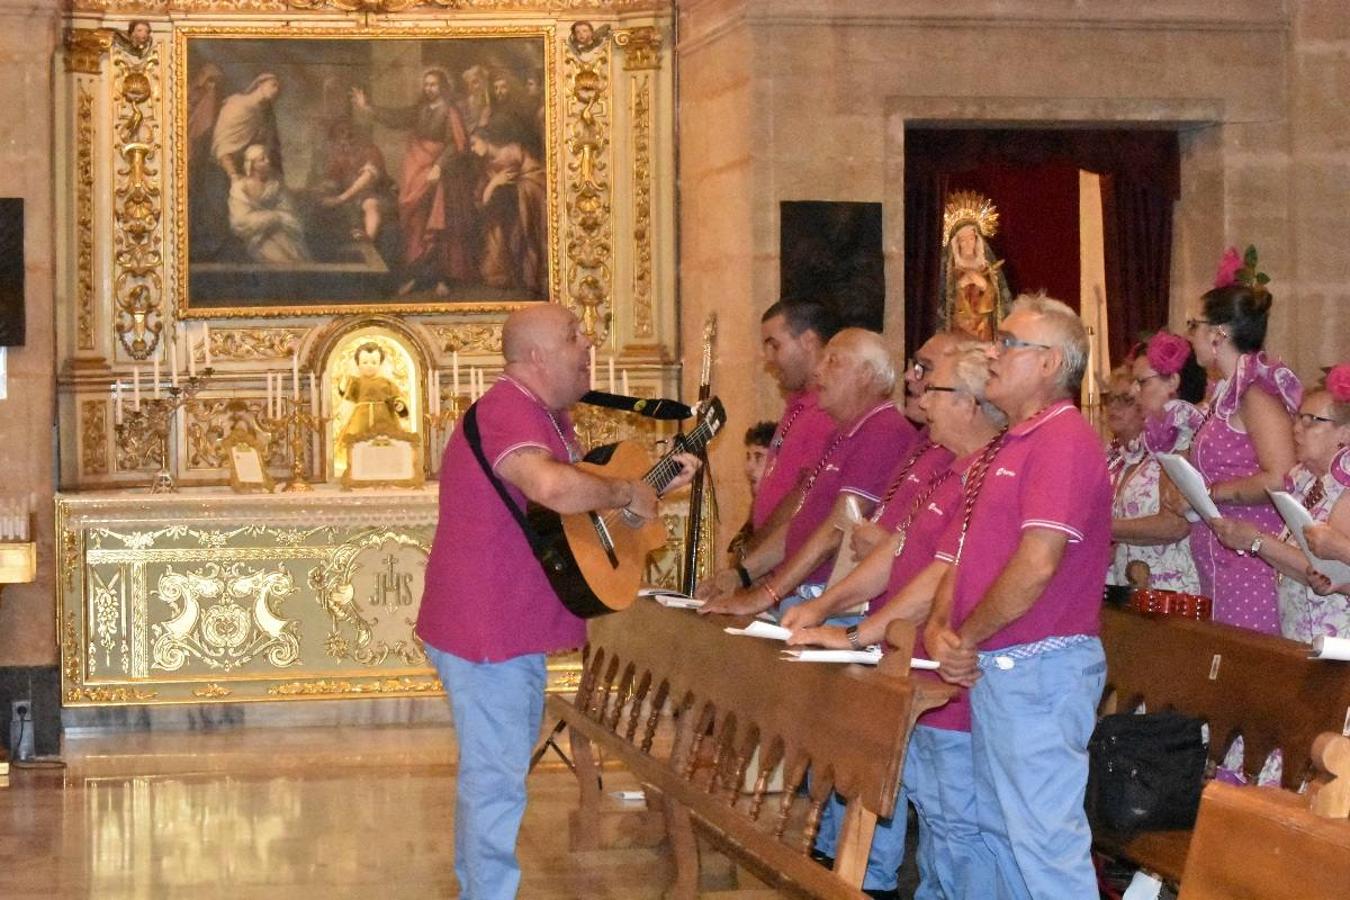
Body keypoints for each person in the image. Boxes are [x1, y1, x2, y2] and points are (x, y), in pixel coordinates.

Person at [416, 304, 697, 900]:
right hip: (487, 629)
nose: (588, 342)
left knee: (497, 776)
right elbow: (549, 487)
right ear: (536, 356)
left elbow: (563, 519)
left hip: (504, 625)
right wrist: (626, 489)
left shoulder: (547, 416)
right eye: (573, 335)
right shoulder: (507, 408)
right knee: (495, 780)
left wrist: (647, 490)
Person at [786, 340, 1005, 899]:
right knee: (936, 828)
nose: (923, 400)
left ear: (973, 404)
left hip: (950, 681)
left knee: (961, 831)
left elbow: (938, 576)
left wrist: (856, 633)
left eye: (936, 389)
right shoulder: (953, 471)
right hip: (914, 668)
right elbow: (898, 554)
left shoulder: (989, 475)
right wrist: (824, 605)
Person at [926, 293, 1112, 899]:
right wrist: (947, 631)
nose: (991, 351)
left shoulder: (1064, 439)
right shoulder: (1015, 441)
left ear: (1050, 362)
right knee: (1002, 838)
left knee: (1044, 848)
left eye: (1008, 342)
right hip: (1002, 669)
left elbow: (1036, 565)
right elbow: (968, 553)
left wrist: (968, 637)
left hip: (1039, 672)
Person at [698, 328, 917, 621]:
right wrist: (741, 576)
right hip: (804, 596)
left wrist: (765, 596)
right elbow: (800, 521)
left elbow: (836, 530)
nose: (818, 371)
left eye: (833, 362)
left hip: (834, 607)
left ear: (866, 375)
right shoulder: (842, 433)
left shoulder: (883, 431)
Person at [1187, 248, 1301, 633]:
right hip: (1222, 561)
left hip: (1250, 564)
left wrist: (1215, 492)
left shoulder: (1255, 394)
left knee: (1245, 681)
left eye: (1194, 324)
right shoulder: (1226, 392)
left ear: (1218, 333)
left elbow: (1282, 476)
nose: (1190, 334)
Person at [697, 297, 840, 598]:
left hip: (800, 581)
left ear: (809, 341)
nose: (768, 357)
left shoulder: (827, 412)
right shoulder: (798, 405)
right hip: (769, 567)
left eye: (775, 345)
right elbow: (776, 484)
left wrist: (753, 560)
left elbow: (804, 495)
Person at [1210, 373, 1350, 640]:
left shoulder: (1345, 490)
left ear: (1345, 433)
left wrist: (1257, 541)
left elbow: (1333, 573)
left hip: (1338, 641)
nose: (1296, 428)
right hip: (1304, 636)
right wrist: (1252, 541)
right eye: (1298, 418)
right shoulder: (1308, 482)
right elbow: (1307, 569)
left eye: (1311, 421)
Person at [352, 68, 478, 295]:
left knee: (439, 224)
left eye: (433, 84)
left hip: (442, 175)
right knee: (416, 223)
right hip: (417, 171)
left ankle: (442, 279)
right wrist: (368, 107)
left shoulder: (450, 111)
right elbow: (397, 117)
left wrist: (439, 166)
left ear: (442, 87)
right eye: (426, 84)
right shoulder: (420, 110)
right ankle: (417, 277)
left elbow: (456, 144)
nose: (429, 88)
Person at [1110, 333, 1206, 592]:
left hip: (1172, 589)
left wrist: (1099, 527)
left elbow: (1175, 524)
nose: (1133, 391)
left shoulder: (1190, 435)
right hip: (1132, 585)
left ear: (1173, 381)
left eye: (1142, 382)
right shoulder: (1145, 442)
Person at [469, 125, 548, 295]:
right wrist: (493, 184)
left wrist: (516, 189)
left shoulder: (514, 151)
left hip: (526, 206)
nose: (473, 149)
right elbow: (483, 198)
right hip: (506, 210)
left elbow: (535, 176)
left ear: (485, 139)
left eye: (474, 143)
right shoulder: (487, 166)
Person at [939, 196, 1012, 343]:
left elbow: (999, 300)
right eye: (962, 240)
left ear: (977, 240)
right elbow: (942, 301)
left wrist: (983, 285)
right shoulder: (948, 270)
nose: (967, 244)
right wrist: (961, 284)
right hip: (959, 329)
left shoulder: (986, 266)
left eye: (970, 238)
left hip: (983, 329)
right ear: (956, 243)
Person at [227, 144, 309, 263]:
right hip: (256, 239)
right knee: (279, 259)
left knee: (297, 257)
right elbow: (239, 221)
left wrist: (279, 218)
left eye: (267, 157)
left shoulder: (275, 185)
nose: (268, 161)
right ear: (252, 165)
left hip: (280, 232)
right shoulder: (240, 187)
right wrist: (272, 217)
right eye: (262, 159)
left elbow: (288, 211)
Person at [211, 73, 283, 182]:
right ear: (260, 84)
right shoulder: (237, 103)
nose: (276, 90)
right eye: (273, 85)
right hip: (222, 171)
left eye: (278, 88)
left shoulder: (262, 115)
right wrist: (233, 175)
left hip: (244, 172)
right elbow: (222, 144)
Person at [726, 421, 778, 564]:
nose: (748, 467)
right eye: (748, 457)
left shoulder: (784, 508)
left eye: (759, 457)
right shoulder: (755, 508)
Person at [337, 342, 409, 442]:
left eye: (374, 362)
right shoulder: (356, 382)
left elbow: (395, 397)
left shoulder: (386, 382)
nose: (369, 366)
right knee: (359, 443)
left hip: (385, 419)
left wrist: (399, 405)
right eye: (365, 362)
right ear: (358, 364)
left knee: (385, 442)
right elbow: (348, 395)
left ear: (380, 363)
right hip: (361, 419)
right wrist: (342, 386)